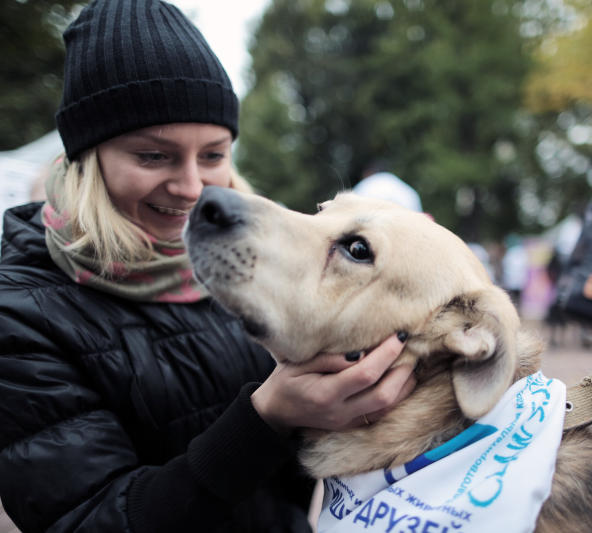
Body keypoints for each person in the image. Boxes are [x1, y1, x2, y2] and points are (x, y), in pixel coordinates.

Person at [0, 1, 415, 532]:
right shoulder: (21, 313)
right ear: (88, 156)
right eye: (154, 156)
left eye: (214, 155)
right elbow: (87, 520)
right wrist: (269, 417)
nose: (193, 187)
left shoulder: (246, 267)